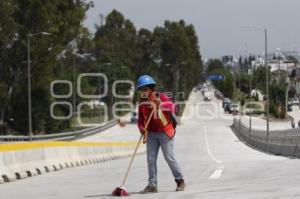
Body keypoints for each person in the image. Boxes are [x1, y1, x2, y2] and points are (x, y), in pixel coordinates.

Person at [136, 75, 185, 194]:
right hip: (152, 133)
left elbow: (173, 107)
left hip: (165, 131)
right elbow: (140, 120)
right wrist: (142, 128)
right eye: (141, 90)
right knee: (151, 159)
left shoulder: (160, 96)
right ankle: (152, 185)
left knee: (169, 158)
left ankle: (180, 180)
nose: (144, 92)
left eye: (146, 89)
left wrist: (159, 104)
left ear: (151, 88)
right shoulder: (142, 103)